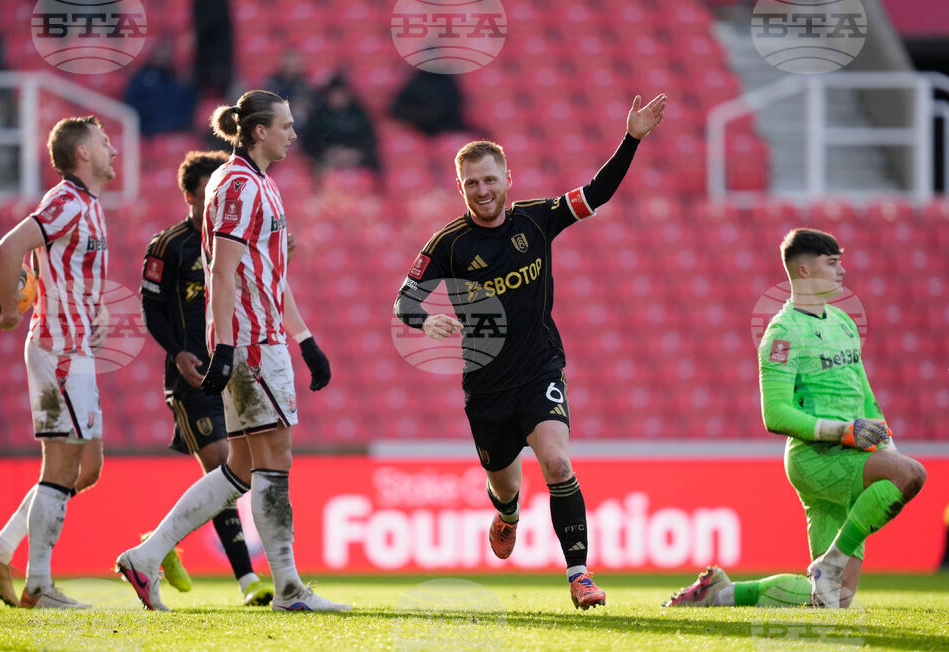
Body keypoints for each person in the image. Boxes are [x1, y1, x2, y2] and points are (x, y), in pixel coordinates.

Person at [393, 94, 667, 609]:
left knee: (558, 463)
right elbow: (403, 300)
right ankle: (508, 512)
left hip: (540, 367)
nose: (482, 190)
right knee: (503, 483)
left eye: (490, 180)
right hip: (485, 387)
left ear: (507, 179)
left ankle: (580, 575)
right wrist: (424, 319)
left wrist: (631, 138)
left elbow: (596, 194)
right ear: (461, 188)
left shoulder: (538, 219)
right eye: (471, 183)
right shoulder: (448, 243)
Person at [116, 90, 347, 612]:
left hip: (258, 336)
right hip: (253, 342)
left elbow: (266, 273)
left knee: (240, 468)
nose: (294, 133)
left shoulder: (251, 182)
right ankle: (288, 588)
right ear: (260, 131)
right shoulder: (242, 186)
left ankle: (146, 556)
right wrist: (224, 345)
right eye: (285, 125)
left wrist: (306, 338)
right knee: (275, 460)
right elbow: (223, 268)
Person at [665, 228, 926, 609]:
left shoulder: (843, 323)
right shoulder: (783, 333)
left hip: (852, 452)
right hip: (817, 457)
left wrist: (885, 441)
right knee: (911, 474)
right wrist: (842, 431)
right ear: (804, 271)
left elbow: (864, 393)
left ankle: (721, 592)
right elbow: (775, 413)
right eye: (832, 263)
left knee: (836, 600)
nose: (842, 272)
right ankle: (832, 562)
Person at [0, 116, 118, 609]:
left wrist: (93, 316)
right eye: (103, 141)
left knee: (88, 467)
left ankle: (1, 551)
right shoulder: (64, 201)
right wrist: (10, 312)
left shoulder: (90, 206)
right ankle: (39, 584)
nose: (112, 147)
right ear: (82, 154)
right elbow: (8, 247)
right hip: (57, 351)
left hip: (78, 349)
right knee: (61, 464)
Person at [139, 150, 289, 606]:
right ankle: (249, 582)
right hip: (192, 377)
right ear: (189, 195)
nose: (216, 203)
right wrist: (178, 352)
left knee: (234, 471)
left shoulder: (234, 235)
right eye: (207, 195)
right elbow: (151, 309)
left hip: (236, 366)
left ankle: (155, 546)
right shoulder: (168, 246)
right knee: (228, 464)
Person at [300, 75, 379, 175]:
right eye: (335, 95)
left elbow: (370, 140)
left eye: (342, 95)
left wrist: (353, 153)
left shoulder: (359, 114)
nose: (339, 98)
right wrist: (328, 153)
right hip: (327, 160)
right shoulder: (318, 116)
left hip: (355, 159)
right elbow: (308, 143)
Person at [262, 50, 318, 132]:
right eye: (289, 63)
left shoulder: (305, 83)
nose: (291, 66)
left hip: (302, 126)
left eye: (294, 63)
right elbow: (266, 103)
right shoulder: (272, 83)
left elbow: (312, 103)